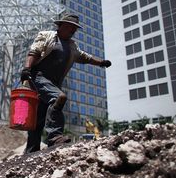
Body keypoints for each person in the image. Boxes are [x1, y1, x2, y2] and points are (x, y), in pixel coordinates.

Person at [20, 14, 112, 153]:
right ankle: (55, 137)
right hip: (38, 78)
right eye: (70, 27)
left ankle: (31, 152)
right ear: (61, 25)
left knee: (38, 120)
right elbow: (34, 51)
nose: (73, 30)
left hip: (54, 84)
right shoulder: (47, 36)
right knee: (59, 97)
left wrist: (101, 63)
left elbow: (84, 57)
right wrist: (27, 68)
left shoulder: (72, 46)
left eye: (75, 28)